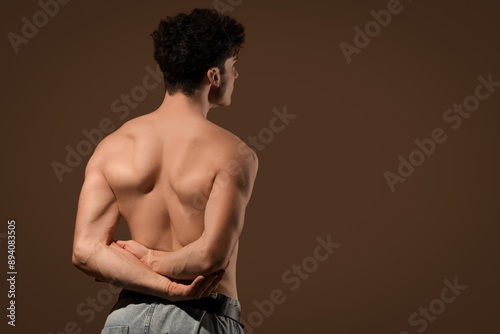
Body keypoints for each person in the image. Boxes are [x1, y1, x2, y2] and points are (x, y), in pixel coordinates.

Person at [71, 8, 258, 334]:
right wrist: (171, 285)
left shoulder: (111, 147)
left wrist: (146, 264)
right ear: (213, 76)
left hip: (125, 320)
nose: (236, 76)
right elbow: (210, 258)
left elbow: (86, 250)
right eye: (233, 67)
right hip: (201, 318)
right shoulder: (234, 153)